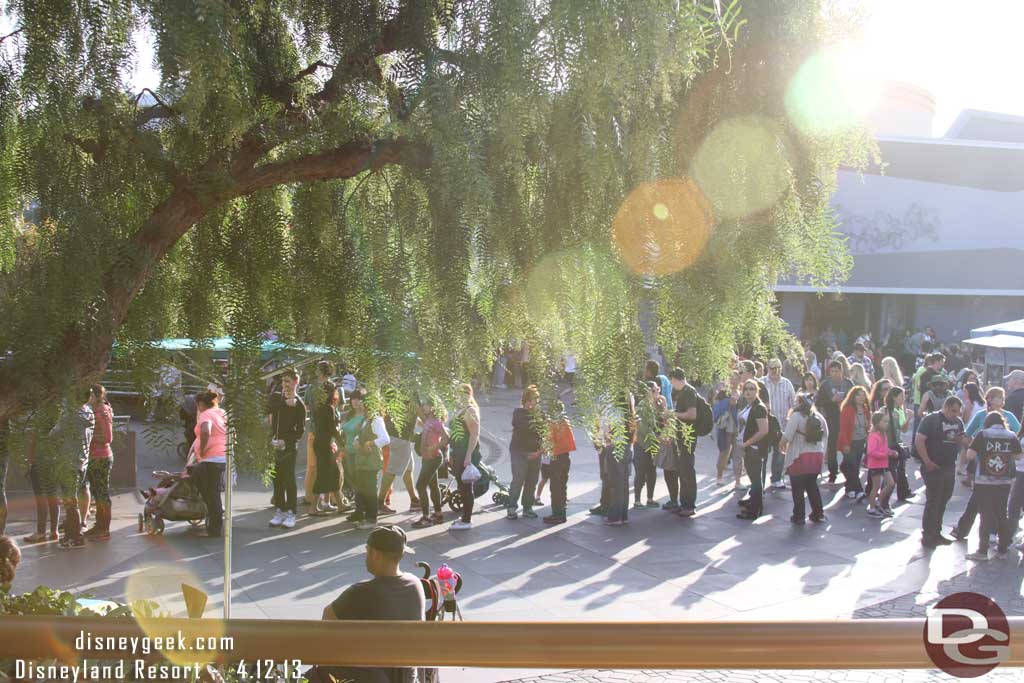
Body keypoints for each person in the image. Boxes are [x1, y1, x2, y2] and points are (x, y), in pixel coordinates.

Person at [320, 525, 425, 683]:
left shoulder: (359, 593)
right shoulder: (415, 584)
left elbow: (325, 623)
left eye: (367, 551)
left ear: (375, 554)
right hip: (408, 678)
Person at [952, 386, 1022, 543]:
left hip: (1003, 467)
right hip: (982, 465)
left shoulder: (1009, 416)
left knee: (987, 502)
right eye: (999, 397)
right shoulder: (981, 415)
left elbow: (1018, 435)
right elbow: (968, 434)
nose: (1002, 401)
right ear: (989, 399)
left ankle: (981, 534)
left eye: (1003, 398)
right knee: (982, 500)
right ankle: (989, 536)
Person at [961, 412, 1019, 561]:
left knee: (986, 515)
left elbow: (970, 455)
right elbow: (1018, 455)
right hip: (1004, 481)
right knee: (1002, 514)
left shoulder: (983, 434)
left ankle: (982, 551)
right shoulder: (1011, 435)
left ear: (988, 422)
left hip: (984, 480)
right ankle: (1003, 549)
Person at [916, 395, 968, 548]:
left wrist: (963, 441)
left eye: (958, 412)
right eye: (953, 411)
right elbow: (919, 440)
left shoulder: (958, 422)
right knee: (933, 500)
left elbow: (963, 441)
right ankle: (928, 535)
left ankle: (936, 532)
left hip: (948, 465)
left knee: (944, 499)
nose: (955, 415)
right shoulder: (931, 420)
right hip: (933, 465)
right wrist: (927, 461)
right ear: (945, 407)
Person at [50, 395, 95, 549]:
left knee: (70, 502)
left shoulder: (70, 416)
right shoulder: (88, 412)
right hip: (82, 461)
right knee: (72, 499)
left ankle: (75, 537)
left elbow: (53, 435)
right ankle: (71, 534)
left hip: (68, 462)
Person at [342, 388, 388, 530]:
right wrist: (357, 440)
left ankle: (371, 519)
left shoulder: (376, 419)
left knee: (370, 491)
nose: (360, 404)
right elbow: (362, 435)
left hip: (370, 460)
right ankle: (366, 516)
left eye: (364, 402)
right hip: (363, 459)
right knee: (364, 489)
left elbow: (385, 439)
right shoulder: (367, 419)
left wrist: (370, 443)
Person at [267, 369, 306, 530]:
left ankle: (291, 512)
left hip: (289, 447)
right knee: (276, 479)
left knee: (288, 479)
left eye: (288, 381)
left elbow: (300, 431)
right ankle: (280, 509)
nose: (285, 385)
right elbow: (268, 408)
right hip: (274, 444)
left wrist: (286, 441)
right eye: (283, 381)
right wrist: (285, 403)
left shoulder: (299, 405)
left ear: (296, 382)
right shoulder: (277, 397)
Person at [780, 393, 827, 524]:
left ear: (799, 403)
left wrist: (781, 445)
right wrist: (823, 451)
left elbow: (788, 436)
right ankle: (818, 513)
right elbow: (826, 434)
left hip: (799, 455)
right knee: (812, 485)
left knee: (798, 487)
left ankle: (799, 516)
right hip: (816, 455)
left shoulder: (796, 416)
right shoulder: (818, 416)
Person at [192, 391, 227, 537]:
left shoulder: (205, 414)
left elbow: (206, 431)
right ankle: (214, 518)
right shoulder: (222, 412)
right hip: (222, 457)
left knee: (211, 492)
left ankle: (215, 526)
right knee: (213, 491)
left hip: (210, 458)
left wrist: (202, 449)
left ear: (201, 404)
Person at [597, 392, 635, 527]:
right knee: (624, 483)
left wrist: (600, 441)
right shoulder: (629, 410)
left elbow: (605, 430)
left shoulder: (613, 411)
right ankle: (623, 515)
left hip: (614, 447)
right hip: (626, 447)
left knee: (615, 484)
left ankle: (615, 516)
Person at [379, 399, 421, 515]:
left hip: (396, 436)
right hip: (400, 438)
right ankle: (379, 503)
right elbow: (419, 412)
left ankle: (414, 500)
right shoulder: (412, 393)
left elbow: (414, 416)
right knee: (391, 470)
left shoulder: (396, 392)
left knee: (408, 469)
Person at [507, 385, 544, 520]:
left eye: (537, 400)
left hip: (535, 452)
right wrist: (536, 419)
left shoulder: (540, 415)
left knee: (532, 481)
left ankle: (527, 508)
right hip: (519, 451)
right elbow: (524, 427)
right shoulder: (518, 413)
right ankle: (512, 508)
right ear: (527, 400)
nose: (536, 402)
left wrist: (539, 452)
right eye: (534, 399)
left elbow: (544, 432)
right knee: (518, 480)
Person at [449, 383, 482, 530]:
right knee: (462, 486)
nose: (460, 396)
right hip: (458, 452)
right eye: (458, 393)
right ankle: (464, 517)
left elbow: (474, 435)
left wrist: (468, 456)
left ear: (469, 395)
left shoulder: (470, 411)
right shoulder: (461, 410)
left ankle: (467, 520)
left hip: (466, 453)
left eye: (463, 393)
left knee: (466, 486)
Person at [82, 385, 114, 540]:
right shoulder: (95, 410)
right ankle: (99, 526)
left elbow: (108, 438)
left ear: (94, 396)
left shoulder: (101, 411)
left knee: (102, 493)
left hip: (101, 457)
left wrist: (87, 438)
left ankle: (104, 528)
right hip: (94, 456)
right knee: (97, 492)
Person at [304, 361, 337, 507]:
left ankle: (309, 497)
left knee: (313, 466)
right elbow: (336, 408)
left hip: (314, 428)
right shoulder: (332, 387)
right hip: (327, 430)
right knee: (330, 465)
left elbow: (306, 407)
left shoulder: (310, 388)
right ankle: (328, 500)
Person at [736, 380, 770, 520]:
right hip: (748, 448)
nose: (748, 392)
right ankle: (753, 503)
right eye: (746, 389)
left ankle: (755, 509)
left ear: (757, 391)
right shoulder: (749, 406)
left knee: (756, 480)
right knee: (753, 478)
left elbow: (763, 431)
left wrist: (747, 443)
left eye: (751, 389)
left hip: (755, 448)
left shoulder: (759, 408)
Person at [815, 361, 852, 485]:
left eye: (837, 371)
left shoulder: (848, 384)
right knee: (832, 447)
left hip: (846, 419)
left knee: (847, 445)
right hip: (831, 419)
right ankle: (832, 471)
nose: (835, 374)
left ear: (842, 371)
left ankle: (847, 469)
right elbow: (819, 402)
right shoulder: (825, 385)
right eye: (832, 371)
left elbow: (854, 398)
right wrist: (831, 400)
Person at [412, 398, 448, 528]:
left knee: (420, 486)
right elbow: (416, 409)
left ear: (433, 407)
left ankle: (426, 517)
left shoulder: (436, 422)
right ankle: (438, 514)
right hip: (427, 458)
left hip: (433, 458)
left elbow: (446, 438)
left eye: (427, 405)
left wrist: (433, 447)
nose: (424, 407)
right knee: (433, 485)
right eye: (424, 405)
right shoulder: (427, 420)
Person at [669, 368, 700, 516]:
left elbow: (691, 415)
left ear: (674, 379)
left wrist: (673, 414)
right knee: (682, 470)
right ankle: (684, 503)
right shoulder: (684, 392)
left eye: (672, 382)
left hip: (687, 438)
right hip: (681, 437)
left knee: (687, 469)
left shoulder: (687, 392)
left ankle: (689, 505)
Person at [762, 359, 796, 492]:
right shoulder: (762, 382)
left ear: (781, 369)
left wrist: (790, 419)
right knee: (762, 454)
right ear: (767, 368)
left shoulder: (787, 384)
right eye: (771, 368)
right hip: (765, 424)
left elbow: (793, 404)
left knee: (780, 453)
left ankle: (776, 478)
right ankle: (759, 479)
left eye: (777, 368)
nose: (774, 371)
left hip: (781, 424)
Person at [311, 382, 342, 516]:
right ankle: (313, 507)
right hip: (325, 444)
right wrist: (342, 440)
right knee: (327, 474)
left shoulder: (319, 407)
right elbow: (332, 429)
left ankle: (340, 504)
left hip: (320, 443)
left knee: (332, 473)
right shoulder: (329, 408)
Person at [544, 401, 576, 525]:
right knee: (562, 486)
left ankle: (556, 513)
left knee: (555, 487)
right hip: (565, 457)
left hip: (556, 458)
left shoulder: (553, 423)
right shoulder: (565, 422)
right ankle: (561, 513)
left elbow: (549, 442)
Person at [836, 386, 870, 500]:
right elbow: (843, 428)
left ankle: (849, 487)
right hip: (849, 442)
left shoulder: (865, 409)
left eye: (863, 395)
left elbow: (868, 425)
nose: (861, 397)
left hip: (861, 441)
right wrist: (845, 444)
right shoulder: (847, 409)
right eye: (858, 395)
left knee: (849, 466)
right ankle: (859, 490)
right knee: (854, 466)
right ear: (853, 396)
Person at [634, 381, 664, 508]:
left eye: (658, 389)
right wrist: (655, 437)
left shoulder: (658, 404)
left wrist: (664, 406)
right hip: (642, 443)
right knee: (641, 472)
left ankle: (650, 498)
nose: (657, 393)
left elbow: (663, 420)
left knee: (652, 471)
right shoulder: (642, 406)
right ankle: (637, 500)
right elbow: (641, 426)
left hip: (653, 444)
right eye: (653, 391)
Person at [864, 411, 897, 518]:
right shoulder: (874, 436)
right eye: (884, 422)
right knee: (876, 486)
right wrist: (885, 454)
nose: (886, 424)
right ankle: (872, 508)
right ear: (877, 423)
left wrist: (890, 452)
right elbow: (871, 452)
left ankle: (878, 502)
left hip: (884, 464)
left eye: (887, 421)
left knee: (891, 483)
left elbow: (884, 448)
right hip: (875, 465)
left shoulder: (883, 435)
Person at [883, 387, 913, 504]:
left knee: (900, 469)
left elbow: (903, 429)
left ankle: (903, 491)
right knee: (890, 471)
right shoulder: (888, 411)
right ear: (894, 397)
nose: (903, 399)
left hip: (896, 443)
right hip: (889, 444)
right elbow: (903, 427)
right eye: (901, 396)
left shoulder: (899, 410)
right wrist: (909, 418)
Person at [712, 380, 740, 487]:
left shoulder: (741, 390)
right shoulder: (723, 392)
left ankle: (738, 480)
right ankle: (719, 476)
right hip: (726, 426)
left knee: (738, 453)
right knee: (724, 452)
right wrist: (729, 402)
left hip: (737, 425)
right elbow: (716, 409)